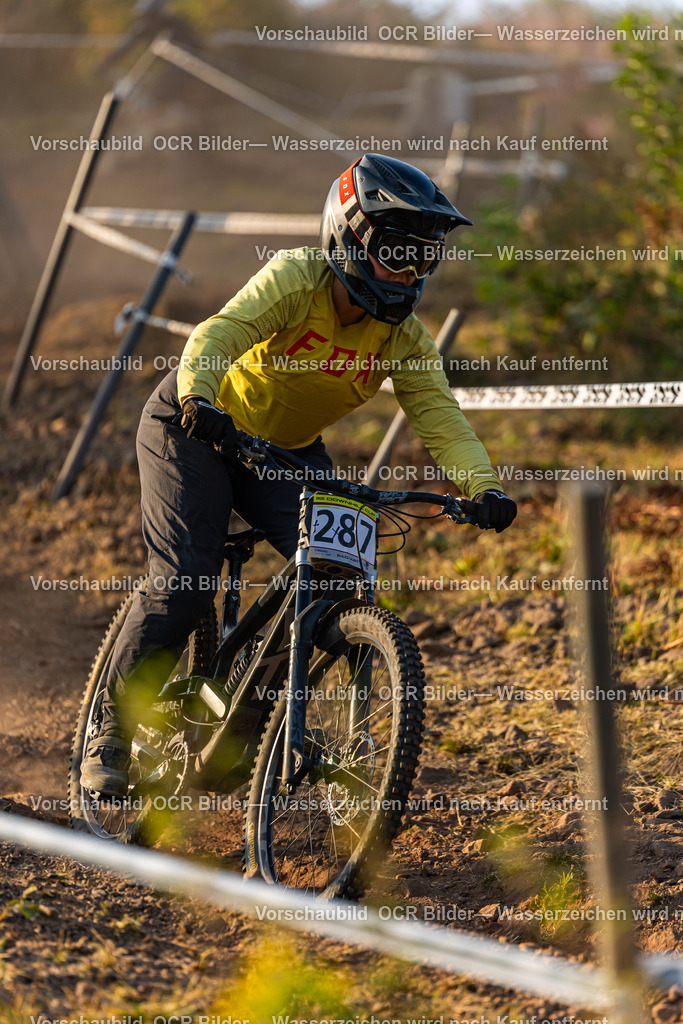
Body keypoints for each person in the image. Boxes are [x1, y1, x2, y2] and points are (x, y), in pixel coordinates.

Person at [80, 154, 516, 798]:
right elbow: (219, 333)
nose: (410, 272)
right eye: (397, 253)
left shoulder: (406, 340)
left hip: (283, 452)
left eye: (423, 259)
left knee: (337, 579)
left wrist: (483, 488)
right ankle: (110, 729)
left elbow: (442, 421)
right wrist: (199, 397)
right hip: (194, 424)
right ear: (350, 238)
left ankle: (238, 735)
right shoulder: (295, 278)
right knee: (187, 577)